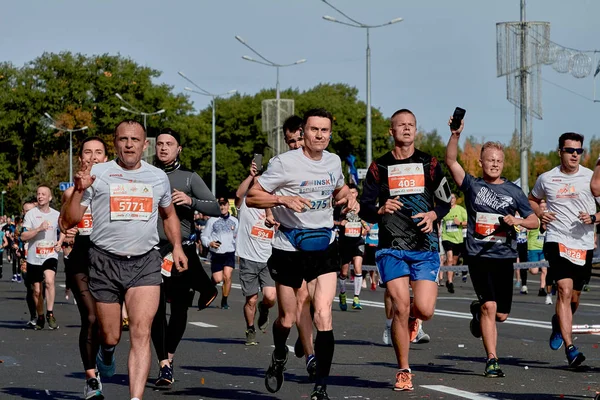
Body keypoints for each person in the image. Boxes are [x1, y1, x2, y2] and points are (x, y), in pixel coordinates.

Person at [61, 120, 188, 400]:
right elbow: (68, 221)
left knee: (141, 332)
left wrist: (177, 246)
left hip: (145, 263)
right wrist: (79, 190)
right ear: (115, 143)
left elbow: (168, 215)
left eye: (135, 139)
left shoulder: (157, 177)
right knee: (111, 336)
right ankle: (107, 352)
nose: (129, 144)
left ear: (146, 145)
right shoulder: (99, 174)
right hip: (105, 262)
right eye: (123, 139)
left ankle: (135, 397)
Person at [247, 108, 357, 400]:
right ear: (303, 133)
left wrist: (349, 197)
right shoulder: (284, 164)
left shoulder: (333, 161)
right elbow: (251, 196)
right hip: (289, 248)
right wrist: (283, 198)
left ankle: (320, 386)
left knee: (323, 314)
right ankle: (280, 353)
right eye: (313, 130)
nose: (319, 136)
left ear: (329, 134)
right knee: (287, 317)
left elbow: (338, 190)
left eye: (324, 131)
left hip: (323, 247)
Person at [360, 109, 451, 391]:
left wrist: (434, 215)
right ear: (392, 131)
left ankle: (413, 318)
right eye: (401, 125)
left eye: (411, 124)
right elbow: (365, 207)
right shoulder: (379, 167)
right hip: (391, 247)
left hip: (424, 246)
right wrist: (379, 209)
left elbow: (446, 201)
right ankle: (403, 370)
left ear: (416, 130)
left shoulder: (430, 163)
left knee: (423, 309)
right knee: (400, 305)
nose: (407, 129)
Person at [445, 117, 538, 378]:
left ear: (502, 163)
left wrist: (517, 220)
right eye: (490, 160)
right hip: (478, 254)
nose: (494, 163)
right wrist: (455, 135)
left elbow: (534, 220)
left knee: (502, 313)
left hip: (504, 255)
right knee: (490, 306)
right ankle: (492, 360)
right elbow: (451, 161)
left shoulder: (514, 190)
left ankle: (477, 313)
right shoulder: (473, 185)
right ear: (481, 163)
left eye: (498, 160)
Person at [150, 128, 220, 388]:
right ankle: (163, 365)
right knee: (155, 311)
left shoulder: (189, 177)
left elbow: (215, 207)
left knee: (178, 310)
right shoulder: (147, 175)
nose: (164, 148)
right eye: (160, 144)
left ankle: (169, 357)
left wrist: (191, 201)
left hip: (180, 252)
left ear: (179, 149)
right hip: (151, 251)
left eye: (170, 144)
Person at [530, 132, 598, 369]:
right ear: (560, 151)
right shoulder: (547, 178)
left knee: (574, 298)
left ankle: (559, 323)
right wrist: (540, 213)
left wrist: (593, 217)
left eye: (578, 151)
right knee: (563, 289)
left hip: (583, 243)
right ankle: (571, 349)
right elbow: (531, 199)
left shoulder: (591, 178)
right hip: (557, 239)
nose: (575, 155)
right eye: (570, 150)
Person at [60, 136, 109, 399]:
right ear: (80, 158)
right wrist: (79, 191)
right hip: (81, 256)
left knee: (108, 326)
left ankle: (106, 353)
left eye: (98, 152)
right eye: (87, 152)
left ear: (106, 158)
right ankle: (91, 379)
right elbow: (65, 223)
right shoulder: (71, 191)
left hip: (110, 258)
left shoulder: (115, 188)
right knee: (90, 317)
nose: (92, 157)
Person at [235, 160, 276, 346]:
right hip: (248, 258)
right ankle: (250, 328)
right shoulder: (245, 204)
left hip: (268, 258)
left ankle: (264, 309)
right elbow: (238, 194)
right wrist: (251, 176)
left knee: (270, 297)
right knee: (250, 299)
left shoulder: (274, 205)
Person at [20, 186, 64, 330]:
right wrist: (38, 229)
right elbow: (23, 236)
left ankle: (50, 314)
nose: (40, 196)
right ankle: (40, 316)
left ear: (50, 198)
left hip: (50, 254)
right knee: (37, 291)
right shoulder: (31, 214)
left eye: (43, 194)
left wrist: (60, 242)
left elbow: (65, 229)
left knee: (50, 281)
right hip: (34, 256)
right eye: (38, 194)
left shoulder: (56, 214)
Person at [201, 197, 238, 310]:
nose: (222, 207)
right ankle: (208, 286)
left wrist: (238, 252)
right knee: (218, 279)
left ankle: (224, 301)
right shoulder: (212, 220)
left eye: (224, 204)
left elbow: (237, 237)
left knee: (227, 276)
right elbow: (204, 236)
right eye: (220, 205)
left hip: (229, 253)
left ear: (228, 206)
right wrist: (209, 243)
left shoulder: (235, 221)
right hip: (217, 253)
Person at [440, 193, 468, 293]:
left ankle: (448, 279)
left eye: (453, 198)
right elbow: (438, 220)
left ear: (456, 199)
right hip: (446, 238)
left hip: (458, 239)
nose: (451, 200)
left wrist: (459, 223)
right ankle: (451, 282)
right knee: (450, 258)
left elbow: (468, 222)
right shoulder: (443, 209)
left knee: (454, 261)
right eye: (449, 198)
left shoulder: (461, 210)